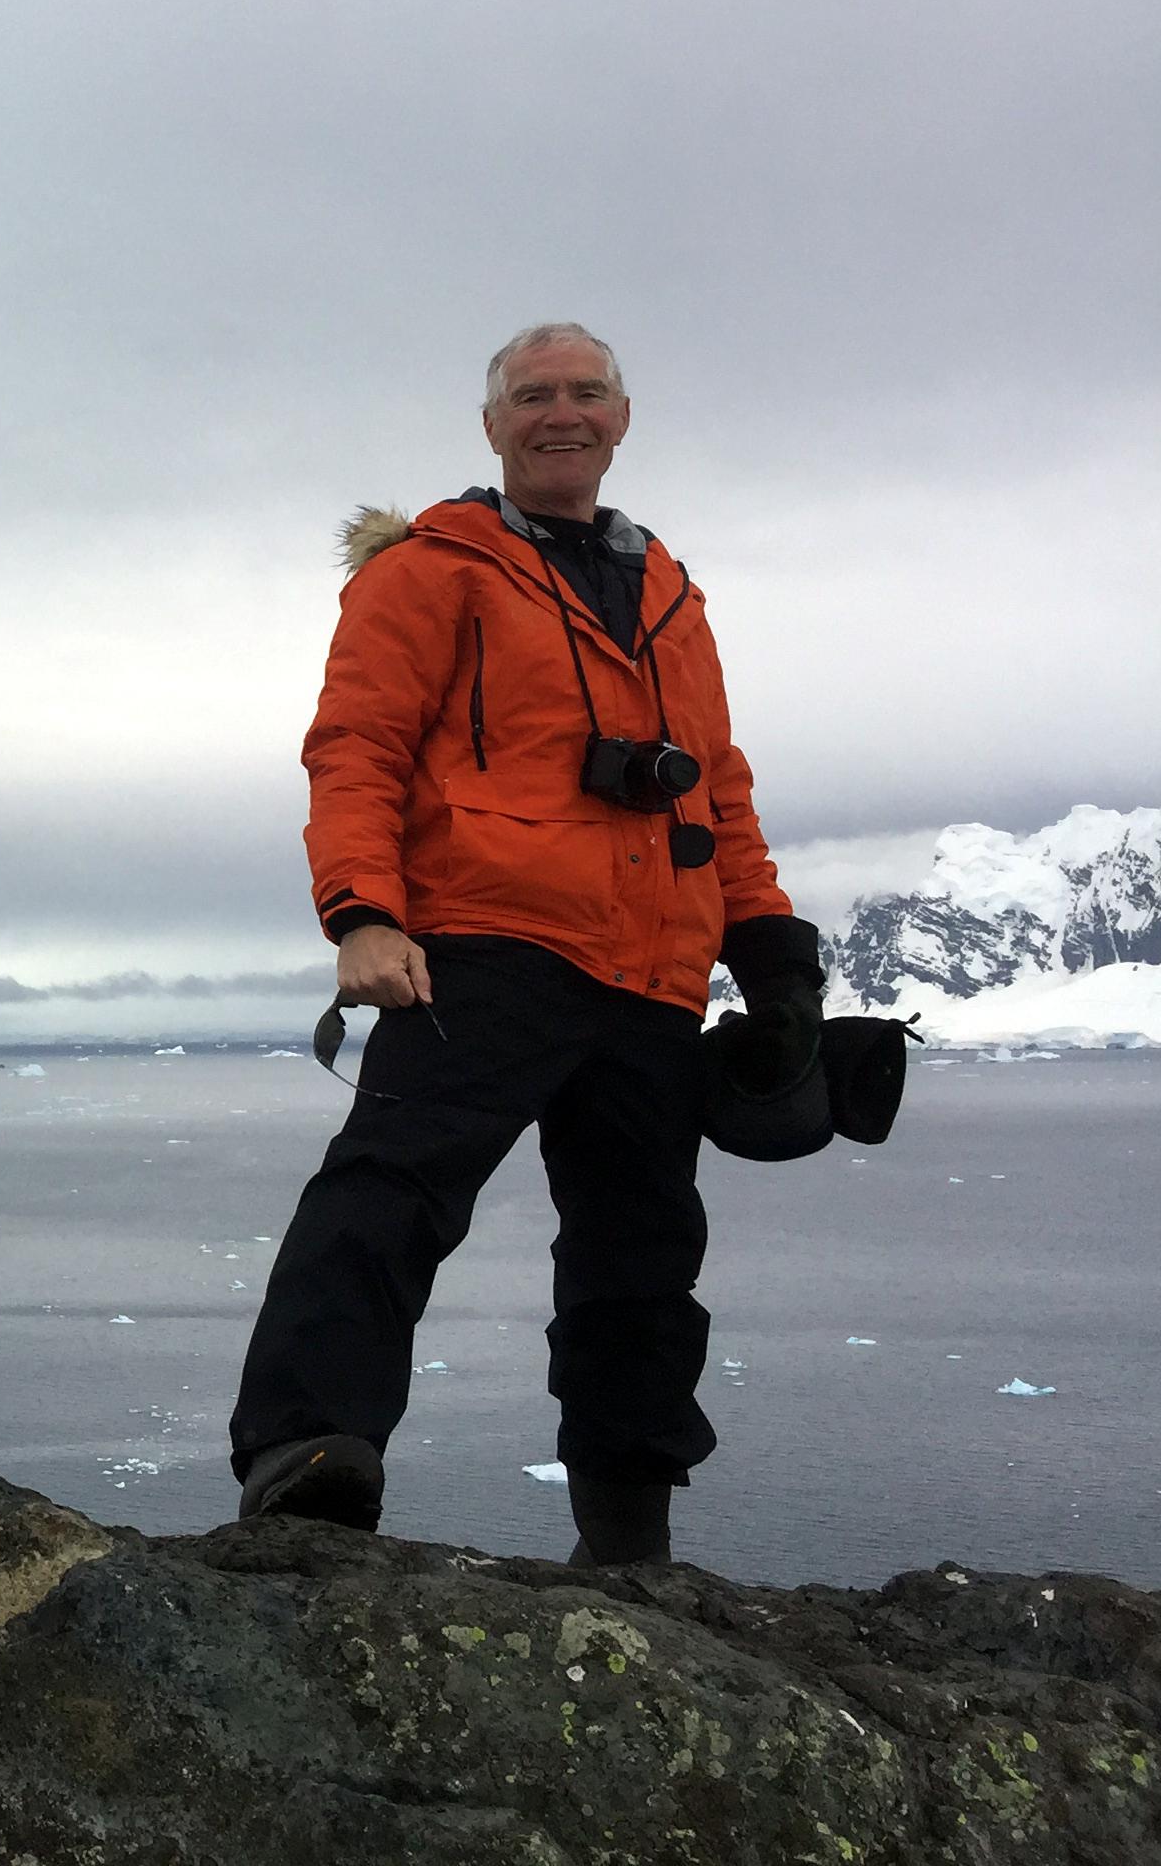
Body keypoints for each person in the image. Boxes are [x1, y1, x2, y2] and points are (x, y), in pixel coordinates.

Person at [225, 321, 823, 1565]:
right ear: (492, 425)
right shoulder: (430, 570)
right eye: (535, 395)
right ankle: (306, 1454)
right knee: (390, 1192)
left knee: (642, 1259)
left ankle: (629, 1539)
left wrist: (774, 963)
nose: (564, 413)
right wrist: (363, 911)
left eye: (586, 392)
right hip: (485, 944)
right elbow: (358, 748)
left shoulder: (672, 595)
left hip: (652, 968)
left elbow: (717, 787)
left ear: (621, 418)